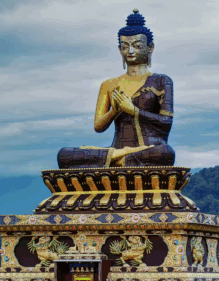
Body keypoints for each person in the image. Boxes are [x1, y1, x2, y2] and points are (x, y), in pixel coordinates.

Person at [56, 10, 175, 169]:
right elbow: (98, 127)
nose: (131, 51)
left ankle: (111, 161)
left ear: (150, 48)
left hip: (149, 149)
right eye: (125, 47)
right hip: (117, 149)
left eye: (137, 46)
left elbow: (166, 123)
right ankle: (118, 157)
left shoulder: (162, 81)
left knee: (165, 153)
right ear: (120, 50)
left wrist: (133, 110)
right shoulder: (109, 84)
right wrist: (114, 111)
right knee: (64, 155)